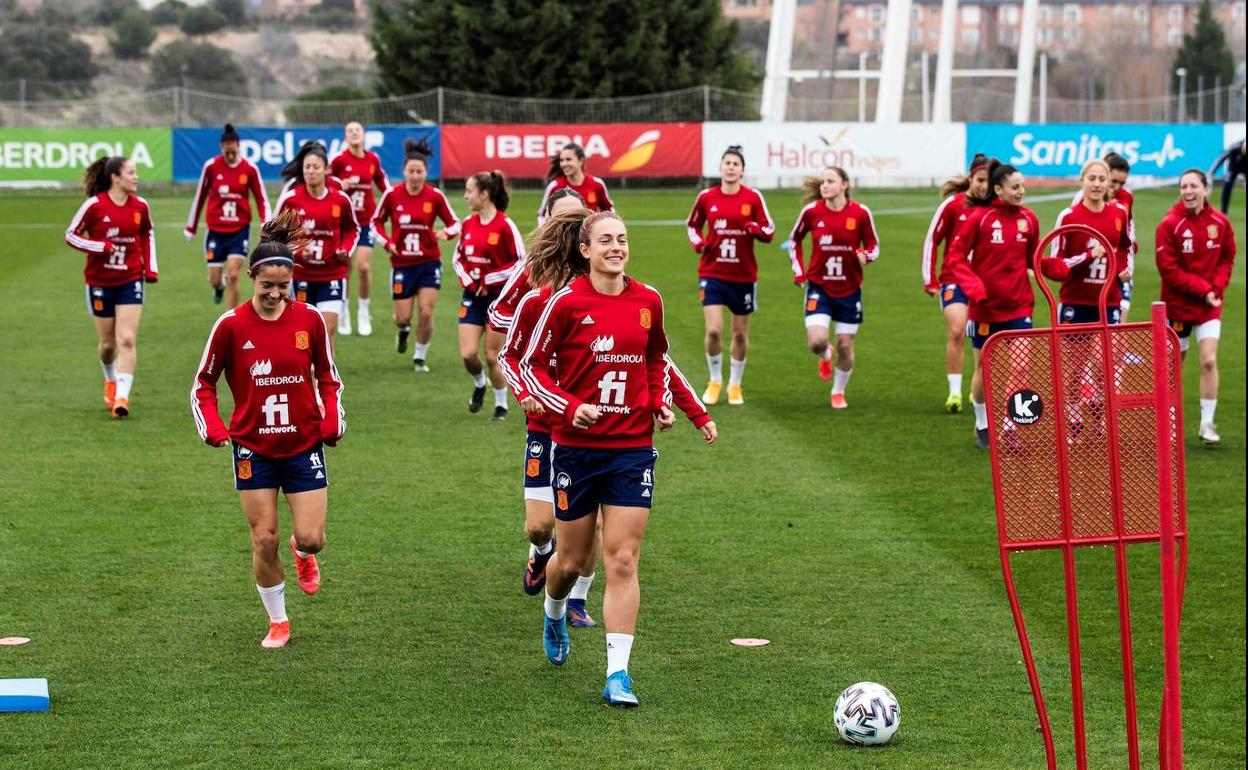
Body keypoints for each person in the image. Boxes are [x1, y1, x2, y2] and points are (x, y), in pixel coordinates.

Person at [516, 209, 717, 707]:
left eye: (622, 239)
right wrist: (569, 406)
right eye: (605, 240)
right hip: (576, 451)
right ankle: (555, 610)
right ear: (585, 250)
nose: (616, 247)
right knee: (570, 560)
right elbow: (530, 367)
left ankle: (617, 674)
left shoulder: (648, 301)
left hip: (631, 450)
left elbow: (654, 359)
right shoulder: (564, 304)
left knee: (623, 559)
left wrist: (659, 403)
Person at [191, 209, 346, 649]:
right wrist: (214, 427)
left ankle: (303, 555)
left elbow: (329, 377)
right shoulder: (231, 325)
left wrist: (333, 417)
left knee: (312, 538)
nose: (275, 294)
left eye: (284, 286)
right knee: (263, 539)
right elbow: (203, 382)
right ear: (253, 280)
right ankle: (278, 621)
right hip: (252, 449)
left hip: (302, 445)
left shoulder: (310, 320)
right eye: (267, 287)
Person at [496, 189, 602, 627]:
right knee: (540, 526)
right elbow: (507, 343)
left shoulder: (605, 294)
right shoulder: (535, 294)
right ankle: (542, 554)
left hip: (594, 426)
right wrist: (525, 386)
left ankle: (576, 599)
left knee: (591, 526)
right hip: (544, 424)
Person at [944, 161, 1039, 449]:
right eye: (1015, 187)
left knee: (1021, 367)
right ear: (998, 189)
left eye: (1022, 186)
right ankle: (983, 424)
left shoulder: (1029, 219)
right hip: (985, 309)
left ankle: (1009, 427)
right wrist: (974, 288)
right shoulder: (980, 219)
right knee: (985, 372)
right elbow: (955, 258)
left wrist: (1062, 266)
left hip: (1020, 307)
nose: (1021, 191)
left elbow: (1034, 260)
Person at [65, 156, 157, 418]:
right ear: (115, 177)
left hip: (130, 279)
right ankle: (110, 379)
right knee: (107, 344)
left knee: (126, 338)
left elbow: (147, 234)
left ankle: (122, 398)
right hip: (99, 281)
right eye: (131, 172)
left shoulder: (141, 206)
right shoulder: (94, 206)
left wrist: (149, 268)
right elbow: (70, 235)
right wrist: (99, 246)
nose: (136, 177)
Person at [685, 145, 776, 406]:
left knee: (739, 334)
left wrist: (754, 228)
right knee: (713, 331)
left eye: (736, 164)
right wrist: (699, 243)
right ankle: (715, 380)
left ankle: (735, 384)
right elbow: (692, 225)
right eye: (727, 163)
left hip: (743, 275)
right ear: (721, 167)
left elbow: (769, 230)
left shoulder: (753, 198)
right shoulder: (706, 197)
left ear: (743, 170)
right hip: (712, 272)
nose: (731, 167)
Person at [1155, 169, 1237, 445]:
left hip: (1209, 306)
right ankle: (1168, 422)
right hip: (1178, 307)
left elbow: (1228, 256)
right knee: (1174, 365)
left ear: (1205, 189)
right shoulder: (1170, 225)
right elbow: (1169, 271)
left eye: (1193, 186)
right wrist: (1204, 291)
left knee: (1209, 360)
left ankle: (1207, 424)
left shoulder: (1220, 222)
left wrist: (1216, 289)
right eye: (1183, 186)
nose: (1188, 191)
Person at [786, 166, 879, 409]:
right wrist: (799, 270)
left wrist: (866, 256)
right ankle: (825, 354)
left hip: (849, 290)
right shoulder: (811, 212)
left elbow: (874, 245)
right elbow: (794, 240)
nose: (824, 185)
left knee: (846, 346)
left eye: (830, 181)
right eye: (823, 181)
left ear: (844, 185)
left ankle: (838, 391)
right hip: (819, 287)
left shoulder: (860, 213)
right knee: (816, 341)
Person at [371, 139, 460, 371]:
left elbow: (455, 223)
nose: (415, 176)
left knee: (426, 311)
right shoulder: (392, 195)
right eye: (411, 171)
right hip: (401, 264)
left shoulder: (435, 196)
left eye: (419, 172)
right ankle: (403, 331)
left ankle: (420, 357)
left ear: (426, 172)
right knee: (402, 318)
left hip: (429, 263)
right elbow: (376, 222)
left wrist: (446, 233)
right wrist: (387, 241)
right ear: (404, 172)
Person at [921, 154, 990, 413]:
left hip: (985, 283)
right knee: (957, 330)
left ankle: (977, 389)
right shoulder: (953, 205)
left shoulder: (995, 208)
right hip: (954, 279)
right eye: (980, 180)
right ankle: (954, 394)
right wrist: (930, 279)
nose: (983, 186)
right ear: (971, 178)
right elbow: (932, 240)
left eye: (988, 181)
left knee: (981, 339)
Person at [452, 170, 525, 419]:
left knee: (493, 356)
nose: (466, 196)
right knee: (468, 354)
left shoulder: (506, 225)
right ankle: (480, 383)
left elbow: (520, 263)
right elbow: (458, 258)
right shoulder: (467, 223)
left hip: (499, 301)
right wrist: (469, 279)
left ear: (485, 194)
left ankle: (501, 404)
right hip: (472, 296)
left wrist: (488, 278)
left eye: (470, 191)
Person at [275, 142, 359, 350]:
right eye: (307, 167)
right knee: (304, 336)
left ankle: (326, 382)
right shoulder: (291, 200)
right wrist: (296, 250)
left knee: (327, 332)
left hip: (333, 274)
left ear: (327, 170)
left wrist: (345, 249)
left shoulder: (340, 200)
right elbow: (275, 234)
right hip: (302, 275)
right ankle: (306, 379)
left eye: (315, 167)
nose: (311, 171)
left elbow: (352, 229)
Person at [184, 123, 270, 307]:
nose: (230, 155)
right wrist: (191, 227)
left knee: (233, 274)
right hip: (215, 230)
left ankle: (230, 320)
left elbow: (261, 197)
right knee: (215, 279)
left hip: (239, 230)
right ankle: (219, 287)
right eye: (226, 150)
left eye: (233, 150)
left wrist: (266, 221)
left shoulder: (249, 169)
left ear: (238, 146)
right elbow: (200, 196)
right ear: (222, 147)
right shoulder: (211, 167)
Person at [1043, 159, 1134, 325]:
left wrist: (1124, 268)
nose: (1097, 184)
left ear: (1108, 182)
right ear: (1082, 180)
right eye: (1091, 179)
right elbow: (1057, 265)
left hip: (1109, 300)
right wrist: (1088, 255)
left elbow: (1125, 247)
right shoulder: (1068, 216)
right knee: (1074, 352)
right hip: (1075, 301)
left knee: (1108, 351)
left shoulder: (1119, 213)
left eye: (1102, 179)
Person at [330, 122, 390, 337]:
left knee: (364, 267)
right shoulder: (338, 160)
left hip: (366, 221)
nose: (354, 133)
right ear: (345, 136)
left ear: (364, 135)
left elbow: (383, 185)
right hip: (343, 222)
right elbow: (326, 183)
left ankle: (363, 311)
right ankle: (344, 309)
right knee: (345, 268)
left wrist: (393, 199)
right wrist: (338, 184)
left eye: (358, 130)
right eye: (350, 130)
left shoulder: (372, 159)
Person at [1070, 152, 1137, 319]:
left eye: (1122, 183)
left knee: (1120, 319)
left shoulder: (1126, 197)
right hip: (1091, 274)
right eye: (1114, 181)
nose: (1117, 187)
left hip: (1119, 269)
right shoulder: (1081, 200)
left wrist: (1130, 247)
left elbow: (1128, 227)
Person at [536, 142, 614, 225]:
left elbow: (609, 211)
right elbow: (542, 215)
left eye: (568, 159)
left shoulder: (597, 184)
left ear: (581, 161)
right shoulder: (555, 186)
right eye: (562, 160)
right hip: (564, 237)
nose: (564, 164)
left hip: (590, 236)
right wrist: (545, 233)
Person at [1209, 139, 1245, 215]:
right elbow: (1221, 159)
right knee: (1227, 185)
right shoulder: (1234, 148)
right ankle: (1224, 211)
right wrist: (1212, 171)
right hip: (1234, 166)